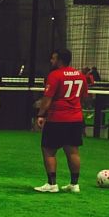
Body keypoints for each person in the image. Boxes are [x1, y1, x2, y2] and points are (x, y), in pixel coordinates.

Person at [34, 48, 92, 193]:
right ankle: (74, 184)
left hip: (57, 118)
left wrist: (41, 115)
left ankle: (52, 184)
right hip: (75, 118)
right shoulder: (80, 75)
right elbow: (84, 96)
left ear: (59, 60)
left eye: (53, 58)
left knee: (48, 150)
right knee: (73, 151)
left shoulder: (54, 75)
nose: (51, 61)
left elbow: (47, 99)